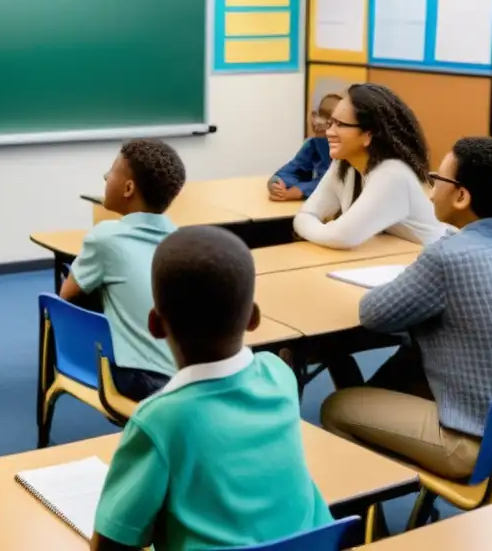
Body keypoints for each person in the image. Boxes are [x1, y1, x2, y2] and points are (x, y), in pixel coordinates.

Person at [321, 137, 492, 480]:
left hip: (483, 447)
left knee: (337, 407)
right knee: (410, 361)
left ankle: (378, 521)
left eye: (437, 181)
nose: (431, 191)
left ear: (462, 196)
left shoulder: (447, 257)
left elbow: (373, 313)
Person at [91, 226, 331, 551]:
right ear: (253, 318)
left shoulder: (159, 420)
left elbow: (111, 545)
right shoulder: (280, 376)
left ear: (155, 324)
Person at [60, 139, 185, 401]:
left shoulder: (105, 237)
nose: (106, 176)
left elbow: (67, 295)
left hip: (142, 378)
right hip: (188, 376)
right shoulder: (180, 239)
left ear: (128, 188)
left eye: (112, 170)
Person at [293, 83, 446, 250]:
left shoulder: (392, 174)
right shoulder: (344, 165)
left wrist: (329, 231)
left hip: (441, 263)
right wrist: (330, 231)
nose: (329, 132)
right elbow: (305, 216)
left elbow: (342, 237)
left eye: (340, 125)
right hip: (389, 262)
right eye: (331, 123)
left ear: (368, 135)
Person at [267, 92, 341, 202]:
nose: (318, 124)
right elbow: (291, 169)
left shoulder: (348, 150)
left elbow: (334, 183)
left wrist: (300, 190)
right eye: (321, 116)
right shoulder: (314, 143)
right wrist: (277, 184)